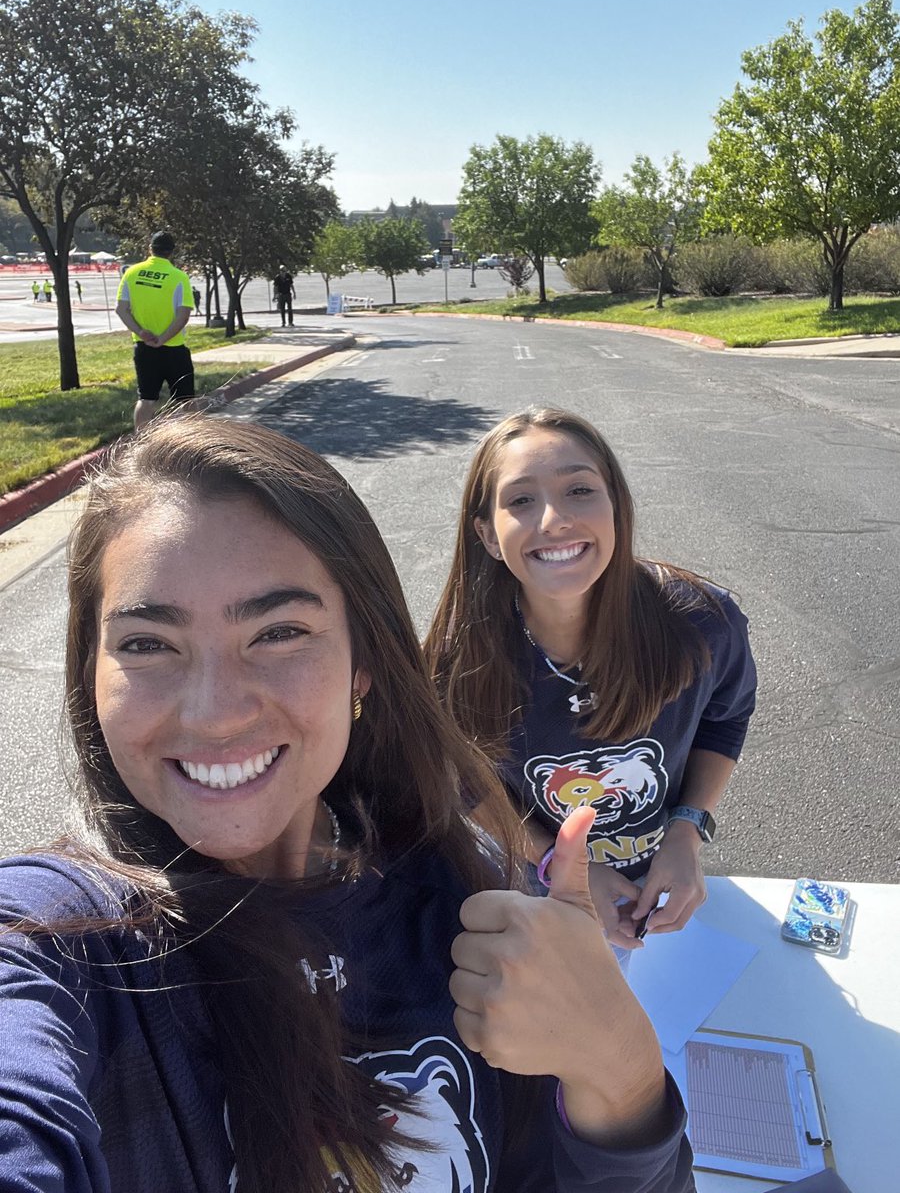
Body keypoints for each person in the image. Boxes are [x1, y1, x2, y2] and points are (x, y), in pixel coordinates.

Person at [0, 417, 693, 1193]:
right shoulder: (61, 935)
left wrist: (623, 1068)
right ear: (90, 672)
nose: (214, 712)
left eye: (280, 631)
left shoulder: (471, 891)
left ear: (363, 661)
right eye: (146, 644)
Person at [425, 407, 757, 952]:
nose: (554, 519)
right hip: (535, 884)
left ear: (616, 507)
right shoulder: (456, 661)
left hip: (662, 877)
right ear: (487, 534)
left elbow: (725, 719)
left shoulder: (702, 622)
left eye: (579, 490)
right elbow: (464, 783)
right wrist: (553, 861)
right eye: (522, 499)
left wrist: (688, 830)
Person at [115, 230, 195, 431]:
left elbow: (121, 310)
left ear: (150, 248)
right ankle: (187, 443)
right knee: (186, 401)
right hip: (174, 348)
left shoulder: (131, 273)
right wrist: (162, 339)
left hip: (144, 348)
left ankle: (141, 444)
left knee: (146, 398)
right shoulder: (179, 277)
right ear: (171, 252)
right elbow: (183, 315)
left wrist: (141, 332)